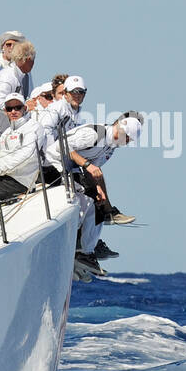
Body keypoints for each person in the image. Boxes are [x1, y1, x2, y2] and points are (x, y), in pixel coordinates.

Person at [67, 115, 142, 274]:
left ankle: (85, 252)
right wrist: (86, 164)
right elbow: (62, 147)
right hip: (54, 167)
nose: (127, 141)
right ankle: (77, 246)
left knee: (97, 203)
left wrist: (102, 196)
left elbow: (95, 172)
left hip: (72, 171)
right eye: (126, 136)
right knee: (86, 201)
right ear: (119, 128)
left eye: (130, 139)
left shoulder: (110, 146)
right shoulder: (96, 134)